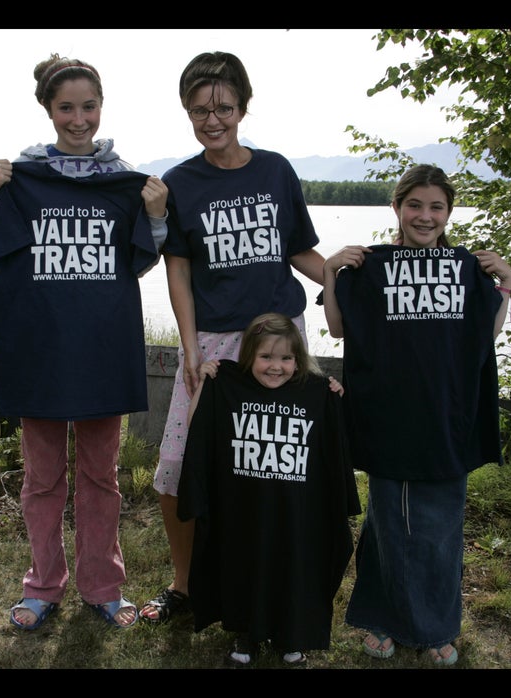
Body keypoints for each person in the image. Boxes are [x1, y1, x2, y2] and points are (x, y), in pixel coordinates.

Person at [0, 54, 169, 631]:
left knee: (101, 477)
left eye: (88, 106)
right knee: (42, 478)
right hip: (40, 350)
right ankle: (43, 587)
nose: (78, 119)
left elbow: (140, 259)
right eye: (66, 108)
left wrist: (154, 215)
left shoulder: (123, 180)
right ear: (48, 110)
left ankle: (104, 588)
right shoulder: (19, 178)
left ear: (101, 108)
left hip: (102, 349)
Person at [140, 51, 327, 624]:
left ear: (243, 107)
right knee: (176, 467)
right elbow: (179, 271)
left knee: (276, 468)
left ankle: (276, 584)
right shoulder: (180, 182)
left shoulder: (274, 170)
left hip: (278, 343)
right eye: (199, 109)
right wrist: (190, 348)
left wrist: (353, 285)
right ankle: (185, 584)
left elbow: (296, 252)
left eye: (222, 106)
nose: (211, 119)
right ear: (187, 113)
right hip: (214, 346)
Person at [321, 164, 511, 666]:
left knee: (441, 527)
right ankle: (383, 619)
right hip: (389, 416)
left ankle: (436, 626)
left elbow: (483, 338)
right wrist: (329, 272)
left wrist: (506, 287)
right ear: (397, 208)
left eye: (436, 207)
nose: (425, 216)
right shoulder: (373, 268)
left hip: (446, 418)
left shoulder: (464, 268)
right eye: (415, 205)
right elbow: (340, 330)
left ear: (449, 213)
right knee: (387, 522)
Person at [176, 312, 360, 666]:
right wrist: (205, 385)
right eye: (266, 357)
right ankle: (246, 634)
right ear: (249, 357)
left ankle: (292, 635)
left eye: (286, 358)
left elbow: (333, 443)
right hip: (243, 507)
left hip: (295, 511)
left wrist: (331, 395)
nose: (276, 366)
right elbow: (199, 426)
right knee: (244, 565)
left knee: (293, 568)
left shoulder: (315, 393)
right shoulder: (228, 385)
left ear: (298, 359)